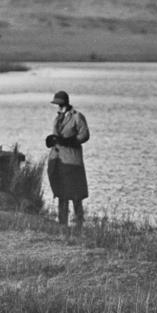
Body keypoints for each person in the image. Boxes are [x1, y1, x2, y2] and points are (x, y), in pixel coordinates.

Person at [45, 90, 90, 227]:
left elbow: (85, 135)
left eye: (59, 104)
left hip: (72, 161)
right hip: (59, 161)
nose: (58, 107)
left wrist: (69, 141)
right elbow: (56, 136)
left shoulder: (77, 117)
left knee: (76, 195)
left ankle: (79, 225)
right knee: (61, 194)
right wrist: (52, 140)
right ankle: (62, 224)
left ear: (65, 103)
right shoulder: (57, 118)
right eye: (57, 105)